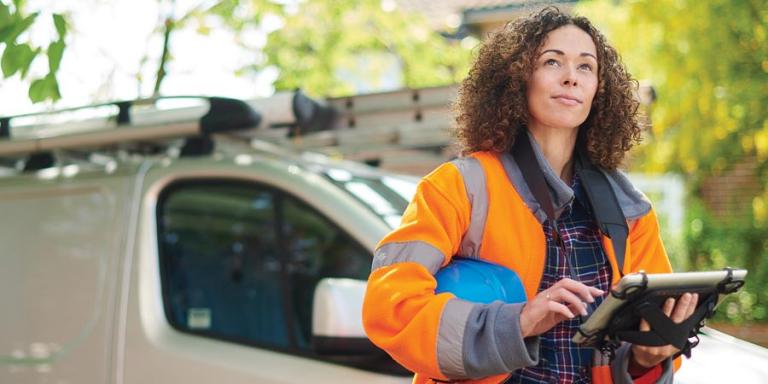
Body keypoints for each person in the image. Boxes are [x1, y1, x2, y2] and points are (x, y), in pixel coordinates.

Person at [362, 7, 699, 384]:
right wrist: (518, 321)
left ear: (598, 90)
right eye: (552, 62)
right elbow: (390, 307)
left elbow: (640, 355)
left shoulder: (630, 210)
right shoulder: (458, 186)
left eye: (586, 67)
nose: (571, 77)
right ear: (517, 79)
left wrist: (645, 358)